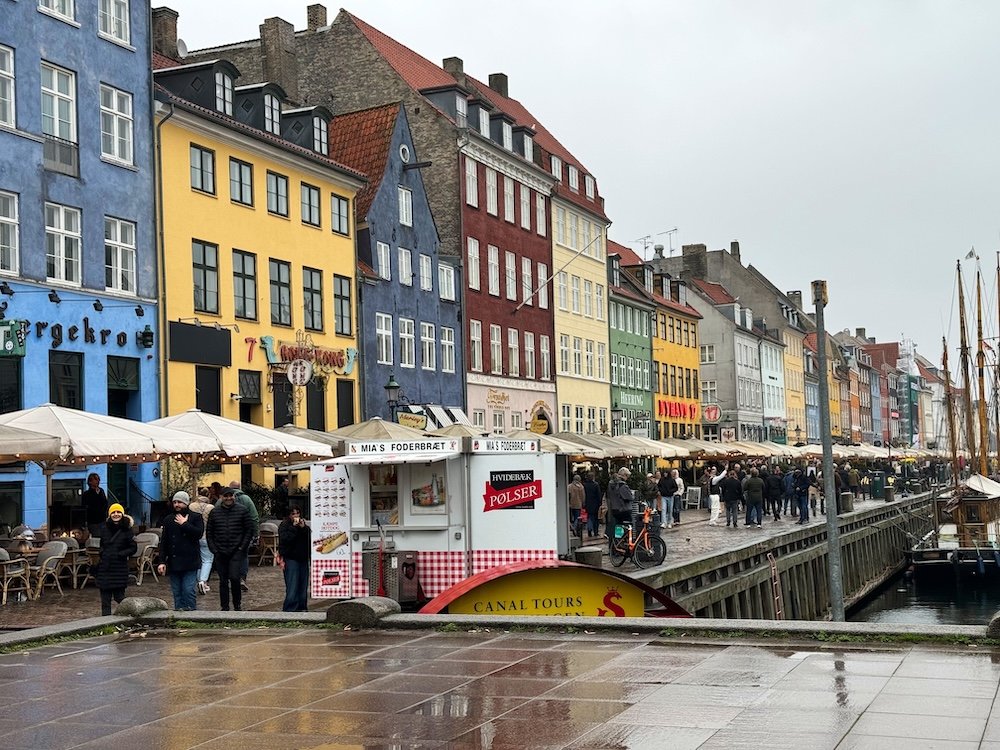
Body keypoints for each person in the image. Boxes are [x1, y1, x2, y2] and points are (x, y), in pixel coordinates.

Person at [206, 487, 253, 611]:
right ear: (221, 497)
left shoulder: (242, 510)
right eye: (225, 496)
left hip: (236, 551)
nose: (228, 498)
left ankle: (237, 604)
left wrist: (242, 547)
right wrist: (214, 549)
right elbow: (209, 532)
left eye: (230, 496)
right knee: (223, 581)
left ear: (234, 496)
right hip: (220, 551)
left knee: (234, 578)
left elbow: (249, 530)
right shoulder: (215, 512)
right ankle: (224, 606)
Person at [156, 490, 205, 611]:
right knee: (177, 592)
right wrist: (162, 561)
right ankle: (179, 616)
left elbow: (198, 534)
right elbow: (165, 542)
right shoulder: (168, 519)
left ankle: (191, 615)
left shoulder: (195, 517)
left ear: (186, 503)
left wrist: (185, 524)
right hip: (174, 562)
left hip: (190, 561)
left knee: (188, 590)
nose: (177, 505)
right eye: (175, 502)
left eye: (180, 502)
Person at [94, 503, 136, 616]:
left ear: (122, 514)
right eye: (113, 512)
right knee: (105, 601)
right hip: (105, 568)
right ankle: (105, 623)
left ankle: (130, 616)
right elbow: (102, 545)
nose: (116, 514)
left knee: (120, 598)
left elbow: (133, 548)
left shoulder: (127, 529)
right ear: (109, 514)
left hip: (119, 568)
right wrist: (103, 554)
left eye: (118, 512)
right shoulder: (104, 528)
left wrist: (120, 554)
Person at [277, 504, 310, 612]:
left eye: (297, 513)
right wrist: (295, 528)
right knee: (292, 584)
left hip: (303, 558)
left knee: (303, 584)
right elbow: (285, 540)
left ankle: (302, 606)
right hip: (291, 558)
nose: (296, 516)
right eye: (293, 514)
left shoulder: (304, 526)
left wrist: (303, 528)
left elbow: (308, 538)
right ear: (289, 515)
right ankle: (290, 608)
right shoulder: (284, 525)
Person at [228, 480, 259, 591]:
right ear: (239, 487)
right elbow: (254, 517)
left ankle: (231, 578)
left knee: (229, 556)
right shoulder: (247, 499)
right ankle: (242, 578)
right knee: (243, 555)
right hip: (244, 534)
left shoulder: (224, 499)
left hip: (228, 534)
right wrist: (256, 533)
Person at [188, 489, 214, 595]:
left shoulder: (191, 506)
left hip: (193, 536)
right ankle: (203, 581)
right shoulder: (211, 508)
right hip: (207, 536)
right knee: (207, 560)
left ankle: (199, 581)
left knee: (198, 560)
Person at [606, 468, 634, 551]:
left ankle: (616, 545)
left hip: (614, 509)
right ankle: (625, 545)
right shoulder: (622, 485)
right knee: (629, 527)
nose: (627, 478)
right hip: (624, 510)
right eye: (627, 476)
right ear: (624, 475)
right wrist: (631, 495)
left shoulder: (610, 484)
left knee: (618, 527)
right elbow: (629, 497)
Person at [82, 472, 109, 538]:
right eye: (96, 479)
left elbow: (105, 502)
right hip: (93, 521)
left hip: (102, 519)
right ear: (90, 482)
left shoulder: (101, 491)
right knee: (97, 537)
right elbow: (87, 506)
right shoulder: (87, 494)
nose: (98, 481)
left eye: (98, 479)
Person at [582, 472, 602, 538]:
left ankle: (589, 531)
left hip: (587, 504)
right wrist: (600, 503)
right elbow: (599, 495)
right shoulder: (596, 485)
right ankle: (596, 532)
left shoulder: (584, 485)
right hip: (595, 504)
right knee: (596, 519)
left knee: (589, 518)